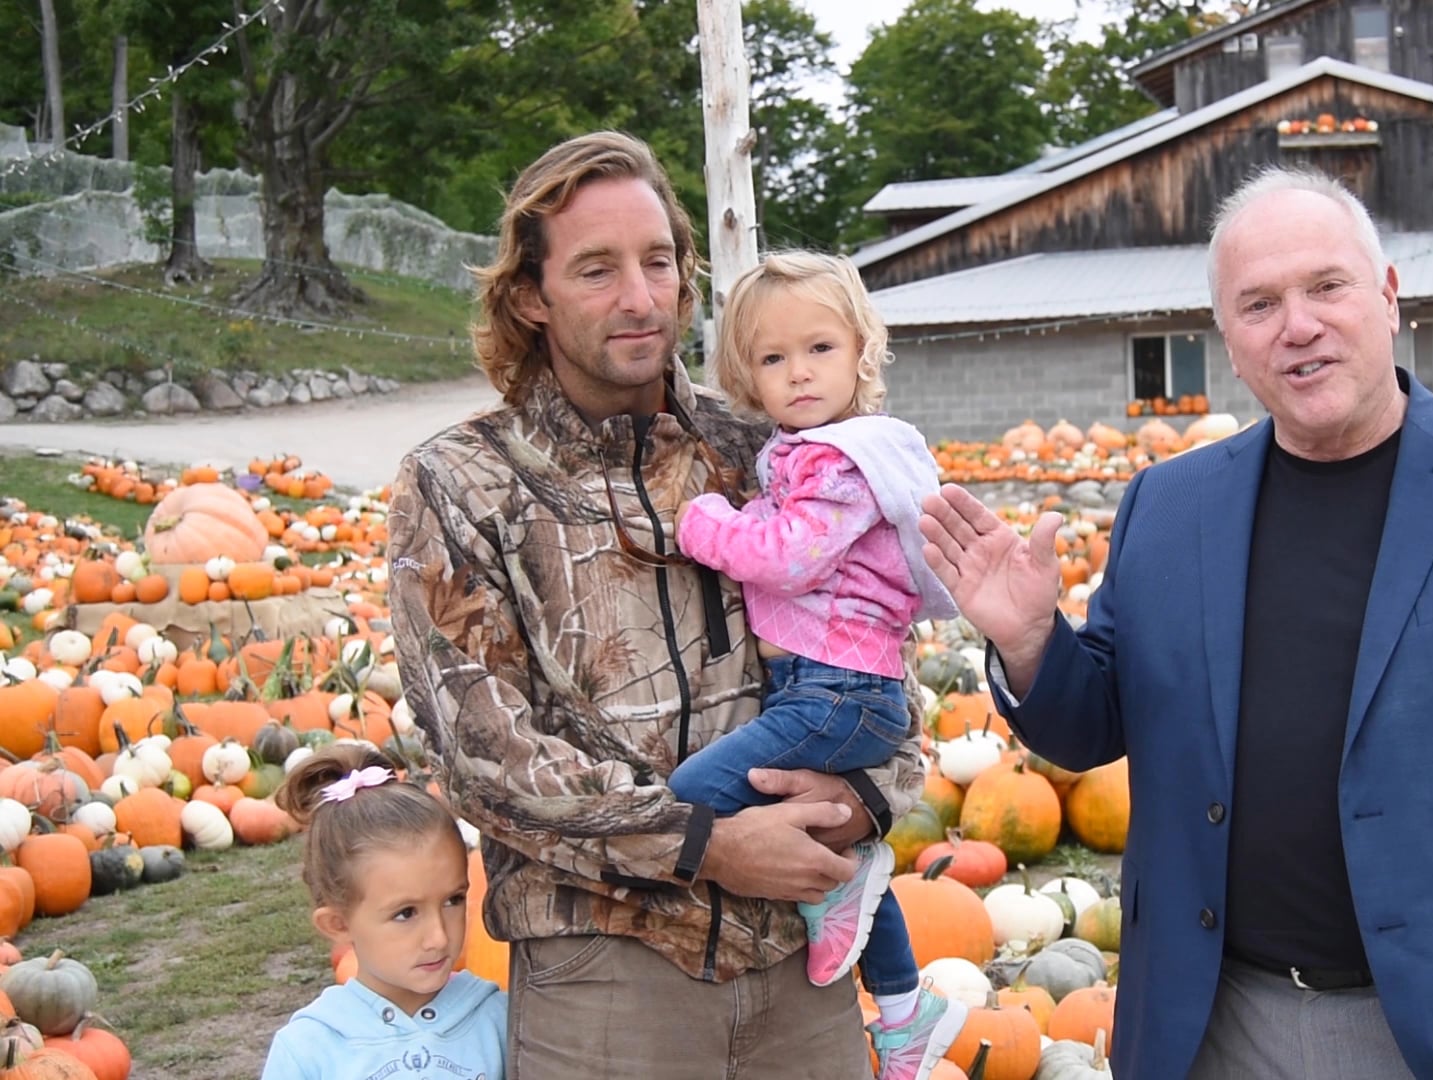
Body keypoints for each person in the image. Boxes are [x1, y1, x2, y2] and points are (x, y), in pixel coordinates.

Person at [919, 165, 1433, 1080]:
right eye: (1260, 303)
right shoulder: (1170, 503)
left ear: (1390, 299)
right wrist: (1033, 641)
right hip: (1213, 1022)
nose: (1299, 325)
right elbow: (1096, 724)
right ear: (1230, 343)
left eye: (1326, 286)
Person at [386, 131, 925, 1078]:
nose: (640, 298)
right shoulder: (462, 482)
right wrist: (705, 847)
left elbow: (875, 648)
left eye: (659, 263)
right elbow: (483, 752)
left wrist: (868, 797)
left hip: (802, 963)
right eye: (596, 270)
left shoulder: (765, 451)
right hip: (607, 975)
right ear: (529, 295)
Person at [670, 250, 967, 1080]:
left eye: (819, 349)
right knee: (836, 857)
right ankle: (906, 1013)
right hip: (830, 687)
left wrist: (704, 525)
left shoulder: (840, 461)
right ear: (745, 374)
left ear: (861, 353)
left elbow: (792, 556)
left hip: (839, 692)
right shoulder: (807, 450)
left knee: (695, 794)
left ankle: (846, 879)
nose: (798, 373)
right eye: (773, 358)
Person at [261, 745, 507, 1080]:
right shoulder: (309, 1049)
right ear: (338, 924)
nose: (439, 936)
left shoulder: (498, 1020)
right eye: (406, 913)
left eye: (453, 900)